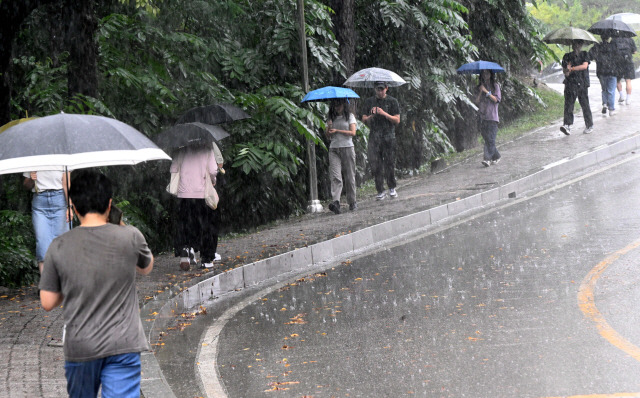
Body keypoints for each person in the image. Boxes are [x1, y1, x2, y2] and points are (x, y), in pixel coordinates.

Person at [39, 170, 154, 398]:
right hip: (124, 343)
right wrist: (119, 225)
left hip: (82, 346)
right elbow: (146, 267)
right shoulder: (130, 236)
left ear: (73, 206)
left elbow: (47, 302)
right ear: (109, 204)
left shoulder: (59, 245)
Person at [170, 142, 219, 270]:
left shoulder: (181, 150)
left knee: (186, 224)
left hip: (183, 195)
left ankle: (186, 250)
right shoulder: (207, 150)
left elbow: (173, 169)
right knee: (205, 226)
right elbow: (213, 170)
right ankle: (206, 259)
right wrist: (213, 181)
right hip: (201, 194)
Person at [23, 170, 70, 274]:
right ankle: (45, 286)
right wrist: (31, 178)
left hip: (60, 200)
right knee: (42, 243)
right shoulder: (32, 158)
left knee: (62, 244)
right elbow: (26, 185)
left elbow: (66, 184)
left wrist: (70, 206)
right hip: (40, 201)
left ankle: (62, 284)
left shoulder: (63, 157)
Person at [361, 81, 401, 201]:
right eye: (378, 89)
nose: (380, 91)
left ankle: (392, 187)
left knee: (389, 163)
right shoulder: (369, 102)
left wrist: (383, 113)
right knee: (376, 164)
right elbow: (363, 119)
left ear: (386, 88)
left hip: (389, 137)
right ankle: (380, 190)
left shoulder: (392, 101)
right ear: (374, 89)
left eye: (382, 89)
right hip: (374, 137)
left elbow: (397, 120)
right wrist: (372, 115)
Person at [326, 98, 358, 214]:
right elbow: (328, 136)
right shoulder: (331, 117)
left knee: (349, 176)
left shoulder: (350, 116)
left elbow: (353, 133)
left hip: (347, 147)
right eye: (335, 105)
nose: (337, 107)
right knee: (335, 176)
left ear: (344, 105)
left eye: (339, 105)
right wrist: (329, 129)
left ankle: (352, 201)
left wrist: (338, 130)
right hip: (334, 149)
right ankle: (336, 202)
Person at [560, 40, 594, 135]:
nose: (576, 46)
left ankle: (589, 125)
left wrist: (573, 68)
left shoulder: (584, 54)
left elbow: (584, 66)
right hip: (570, 83)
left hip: (582, 83)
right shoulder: (567, 56)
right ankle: (567, 125)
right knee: (568, 105)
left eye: (579, 44)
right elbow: (566, 73)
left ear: (581, 45)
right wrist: (567, 68)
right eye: (574, 44)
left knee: (584, 104)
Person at [475, 69, 502, 167]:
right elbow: (476, 102)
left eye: (487, 73)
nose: (485, 75)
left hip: (492, 116)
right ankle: (497, 156)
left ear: (491, 74)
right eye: (483, 73)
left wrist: (486, 91)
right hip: (482, 117)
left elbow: (496, 99)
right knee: (487, 139)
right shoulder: (479, 87)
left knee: (490, 139)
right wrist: (480, 91)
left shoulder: (495, 86)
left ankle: (487, 159)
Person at [589, 34, 618, 119]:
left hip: (601, 71)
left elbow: (590, 56)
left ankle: (605, 104)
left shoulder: (597, 47)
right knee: (611, 90)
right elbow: (618, 58)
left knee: (604, 89)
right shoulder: (613, 46)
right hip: (612, 71)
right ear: (609, 37)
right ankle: (611, 109)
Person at [613, 36, 637, 105]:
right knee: (628, 80)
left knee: (617, 80)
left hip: (618, 63)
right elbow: (635, 52)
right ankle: (628, 99)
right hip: (628, 62)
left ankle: (621, 96)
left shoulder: (614, 39)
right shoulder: (630, 39)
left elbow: (612, 51)